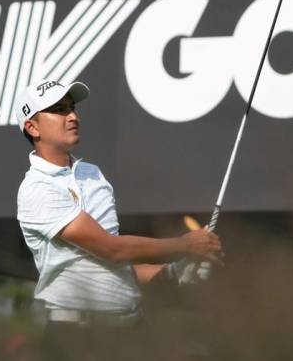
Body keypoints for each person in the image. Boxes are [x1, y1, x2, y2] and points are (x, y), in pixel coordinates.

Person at [14, 79, 222, 360]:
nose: (73, 116)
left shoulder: (91, 173)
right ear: (33, 127)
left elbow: (115, 268)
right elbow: (111, 249)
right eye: (60, 110)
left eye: (73, 108)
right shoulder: (37, 188)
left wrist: (174, 271)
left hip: (131, 330)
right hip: (76, 337)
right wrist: (184, 245)